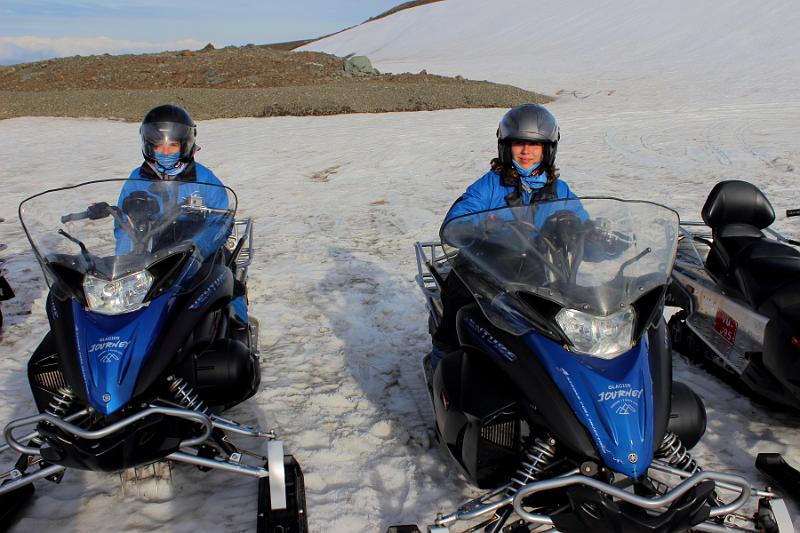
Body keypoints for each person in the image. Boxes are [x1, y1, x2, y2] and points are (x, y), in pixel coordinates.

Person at [430, 103, 580, 367]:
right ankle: (443, 352)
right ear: (505, 146)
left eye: (534, 145)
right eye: (518, 143)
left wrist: (593, 234)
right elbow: (457, 218)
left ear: (548, 149)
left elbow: (582, 222)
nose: (526, 151)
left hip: (540, 272)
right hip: (483, 271)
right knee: (460, 306)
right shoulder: (490, 185)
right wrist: (482, 226)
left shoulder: (559, 190)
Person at [115, 104, 230, 257]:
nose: (165, 152)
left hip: (198, 255)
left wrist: (198, 249)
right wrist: (125, 260)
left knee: (222, 274)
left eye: (173, 146)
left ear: (185, 145)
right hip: (152, 255)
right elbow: (123, 225)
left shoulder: (203, 178)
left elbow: (221, 222)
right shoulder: (138, 179)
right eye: (158, 146)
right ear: (149, 146)